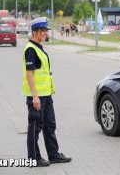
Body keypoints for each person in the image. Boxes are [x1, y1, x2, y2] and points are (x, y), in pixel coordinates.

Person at [23, 17, 72, 167]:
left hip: (46, 94)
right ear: (34, 32)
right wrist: (35, 97)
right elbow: (29, 74)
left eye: (45, 30)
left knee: (50, 125)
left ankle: (53, 154)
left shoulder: (38, 47)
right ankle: (34, 158)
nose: (45, 33)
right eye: (42, 30)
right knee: (35, 127)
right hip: (37, 96)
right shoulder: (31, 49)